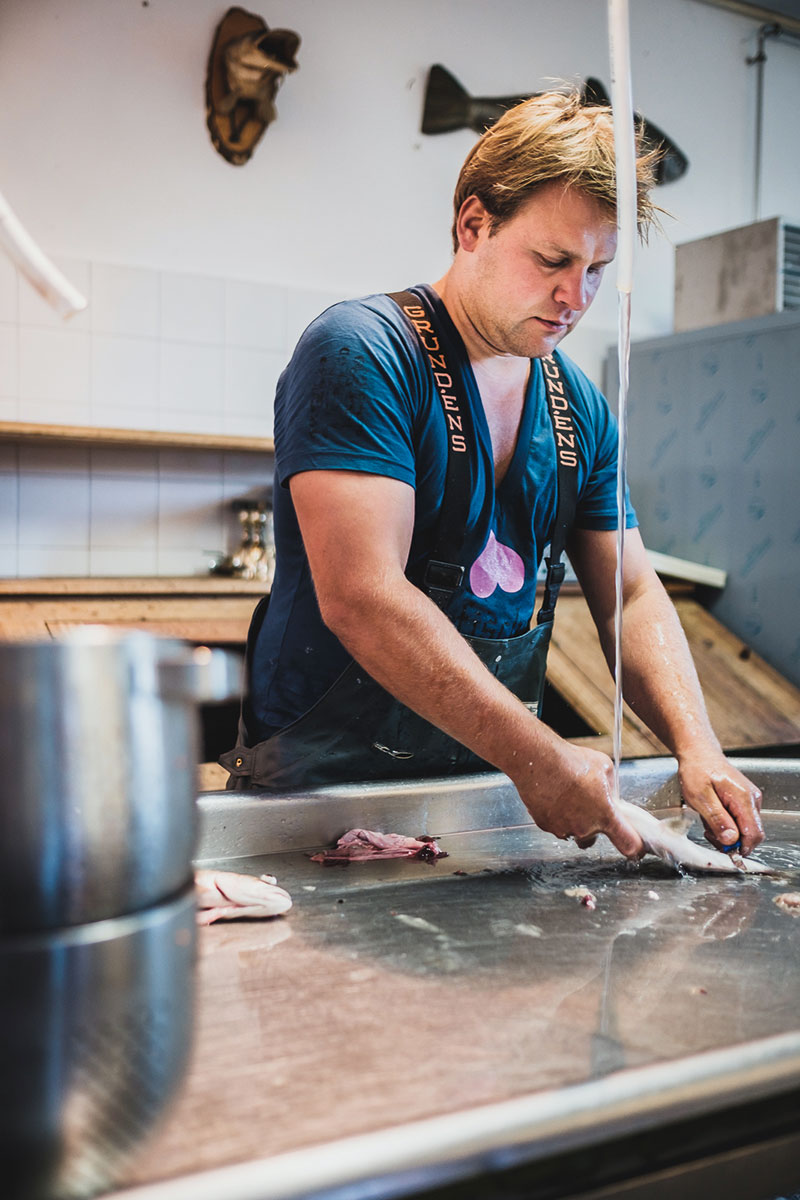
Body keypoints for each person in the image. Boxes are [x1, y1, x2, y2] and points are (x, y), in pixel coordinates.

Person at [220, 87, 763, 861]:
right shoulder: (363, 352)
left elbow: (632, 596)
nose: (576, 297)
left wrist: (697, 744)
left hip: (481, 810)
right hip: (316, 812)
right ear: (472, 223)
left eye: (598, 269)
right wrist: (539, 754)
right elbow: (363, 597)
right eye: (553, 260)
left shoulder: (579, 409)